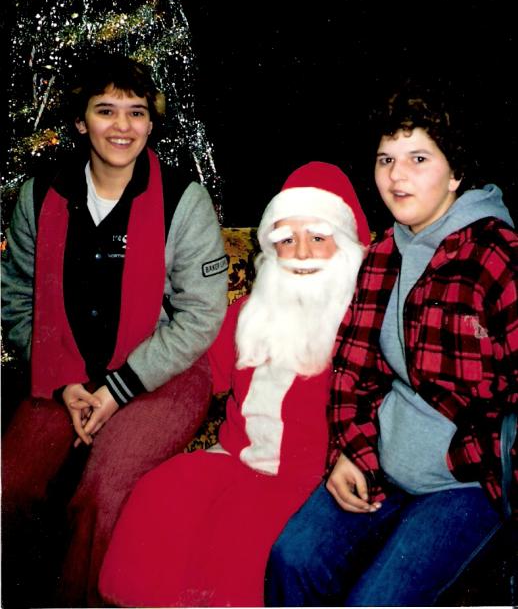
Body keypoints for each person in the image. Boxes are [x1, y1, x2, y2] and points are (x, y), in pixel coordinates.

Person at [264, 84, 518, 606]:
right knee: (291, 560)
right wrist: (349, 453)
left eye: (418, 158)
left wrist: (484, 467)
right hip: (381, 467)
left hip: (465, 485)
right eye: (386, 159)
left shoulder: (496, 255)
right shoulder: (382, 250)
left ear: (456, 174)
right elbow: (354, 370)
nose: (396, 176)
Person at [1, 53, 228, 607]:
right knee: (11, 487)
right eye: (106, 111)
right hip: (64, 371)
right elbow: (15, 296)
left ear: (152, 121)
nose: (123, 126)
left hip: (162, 374)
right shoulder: (38, 196)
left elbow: (199, 315)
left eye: (137, 112)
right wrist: (59, 382)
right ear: (81, 121)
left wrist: (119, 388)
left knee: (104, 493)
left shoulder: (183, 200)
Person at [98, 160, 371, 607]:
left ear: (345, 246)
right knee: (159, 495)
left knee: (235, 543)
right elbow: (199, 365)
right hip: (233, 457)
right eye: (287, 239)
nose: (300, 253)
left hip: (305, 478)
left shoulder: (362, 321)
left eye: (318, 238)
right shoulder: (252, 309)